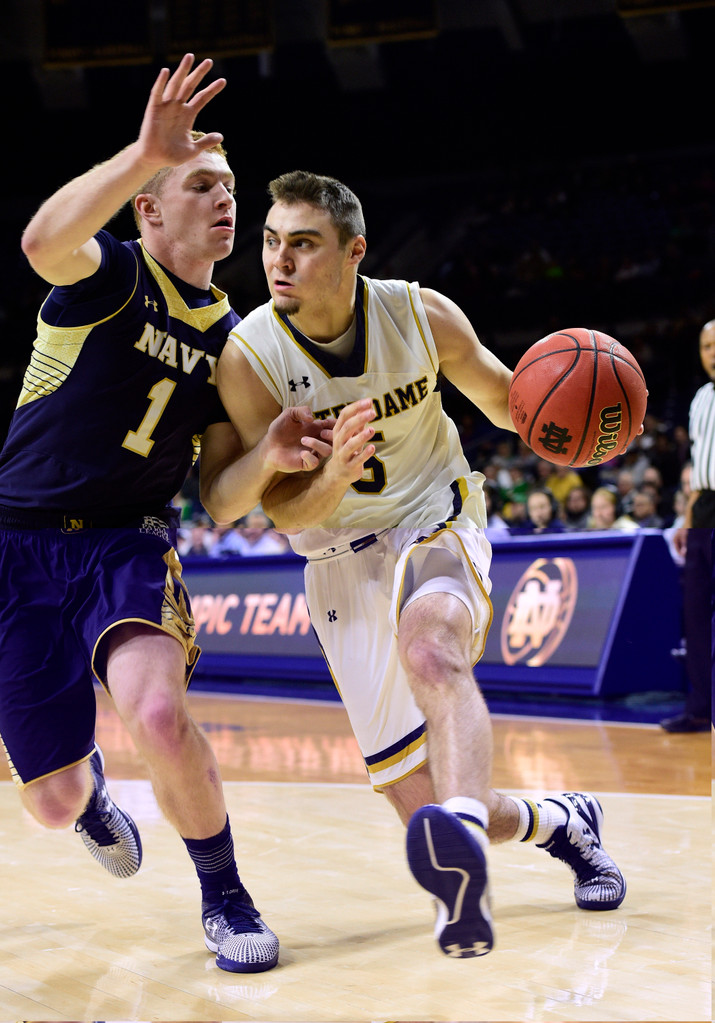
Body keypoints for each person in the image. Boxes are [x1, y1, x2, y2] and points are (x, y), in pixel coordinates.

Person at [211, 170, 627, 958]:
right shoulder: (250, 356)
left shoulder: (419, 313)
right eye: (270, 241)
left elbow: (506, 400)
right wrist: (332, 476)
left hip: (434, 515)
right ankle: (560, 821)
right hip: (334, 558)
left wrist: (579, 421)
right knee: (417, 802)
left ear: (353, 251)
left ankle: (461, 855)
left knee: (430, 644)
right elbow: (284, 511)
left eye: (303, 243)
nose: (278, 259)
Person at [0, 57, 334, 974]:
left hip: (129, 542)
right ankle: (89, 792)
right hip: (19, 543)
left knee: (154, 710)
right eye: (200, 185)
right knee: (51, 804)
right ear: (148, 207)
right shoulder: (109, 275)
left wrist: (269, 456)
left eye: (229, 188)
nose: (224, 199)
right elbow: (39, 240)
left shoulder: (237, 344)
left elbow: (221, 494)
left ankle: (225, 896)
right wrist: (144, 152)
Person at [661, 319, 715, 733]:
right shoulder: (700, 399)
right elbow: (699, 464)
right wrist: (687, 518)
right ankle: (700, 708)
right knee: (694, 616)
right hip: (704, 512)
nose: (712, 353)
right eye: (706, 346)